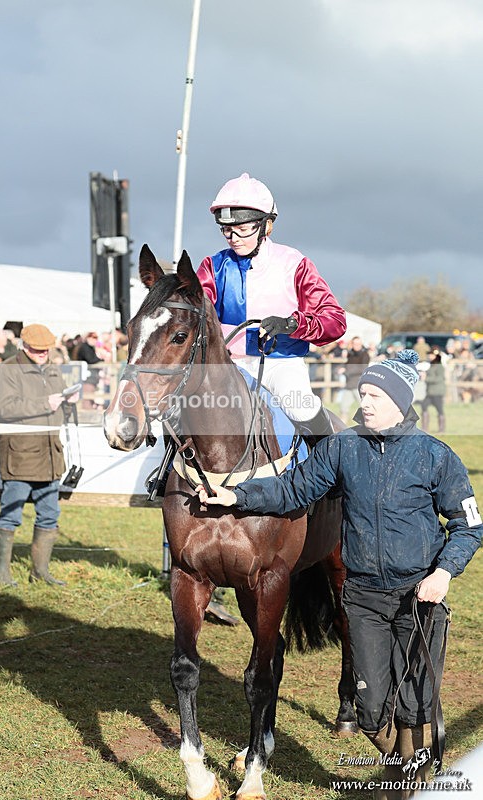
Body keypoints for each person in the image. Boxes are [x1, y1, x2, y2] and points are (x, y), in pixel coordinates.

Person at [196, 349, 482, 799]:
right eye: (363, 393)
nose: (364, 401)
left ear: (400, 401)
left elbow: (469, 525)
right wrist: (238, 497)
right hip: (364, 597)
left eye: (375, 395)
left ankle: (406, 787)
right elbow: (293, 488)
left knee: (417, 701)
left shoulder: (435, 456)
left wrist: (444, 572)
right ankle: (411, 773)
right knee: (369, 711)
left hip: (419, 596)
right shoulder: (342, 447)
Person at [196, 172, 347, 441]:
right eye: (226, 229)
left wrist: (292, 324)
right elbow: (195, 315)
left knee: (300, 405)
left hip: (281, 365)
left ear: (267, 226)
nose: (233, 237)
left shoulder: (294, 263)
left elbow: (335, 320)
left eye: (242, 229)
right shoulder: (213, 266)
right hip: (227, 365)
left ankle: (331, 466)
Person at [0, 323, 79, 587]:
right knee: (10, 514)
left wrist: (68, 403)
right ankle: (0, 575)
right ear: (24, 346)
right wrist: (45, 403)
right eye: (37, 350)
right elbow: (6, 409)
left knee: (50, 514)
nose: (42, 353)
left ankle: (40, 571)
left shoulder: (53, 368)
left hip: (50, 455)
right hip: (20, 456)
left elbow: (58, 412)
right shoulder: (7, 369)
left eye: (45, 350)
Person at [336, 335, 370, 423]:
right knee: (343, 408)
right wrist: (340, 368)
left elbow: (362, 369)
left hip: (359, 386)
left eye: (358, 344)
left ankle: (369, 430)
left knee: (365, 408)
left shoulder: (365, 355)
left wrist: (346, 371)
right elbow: (346, 364)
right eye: (355, 344)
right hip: (349, 385)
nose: (356, 345)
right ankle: (342, 429)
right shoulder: (350, 354)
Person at [421, 349, 446, 432]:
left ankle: (441, 429)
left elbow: (439, 378)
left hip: (437, 392)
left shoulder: (439, 366)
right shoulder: (432, 366)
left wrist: (426, 378)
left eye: (431, 355)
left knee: (439, 410)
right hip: (430, 392)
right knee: (424, 406)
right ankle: (424, 429)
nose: (430, 356)